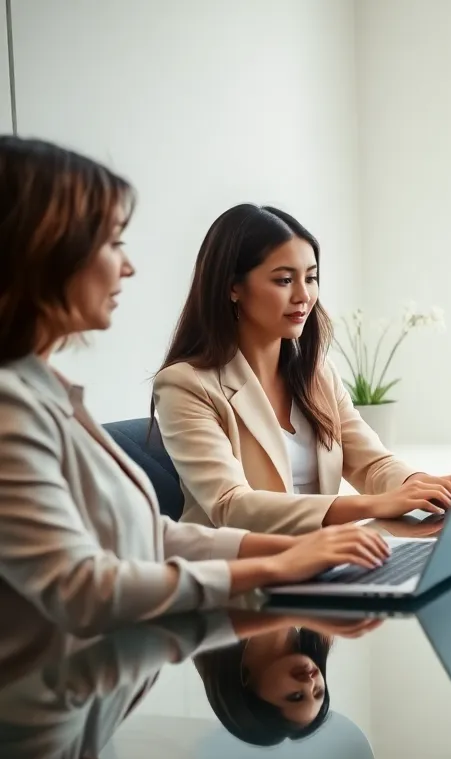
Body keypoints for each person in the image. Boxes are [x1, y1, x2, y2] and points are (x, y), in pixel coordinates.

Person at [0, 136, 392, 673]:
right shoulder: (12, 409)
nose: (129, 268)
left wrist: (290, 556)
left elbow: (151, 537)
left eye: (310, 278)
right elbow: (82, 588)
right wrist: (278, 563)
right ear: (44, 252)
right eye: (112, 243)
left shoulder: (45, 391)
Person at [153, 204, 451, 535]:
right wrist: (375, 505)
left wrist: (421, 486)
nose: (304, 295)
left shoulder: (316, 373)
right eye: (284, 280)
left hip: (320, 564)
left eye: (311, 277)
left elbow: (372, 463)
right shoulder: (184, 385)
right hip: (244, 575)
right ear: (233, 287)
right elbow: (231, 506)